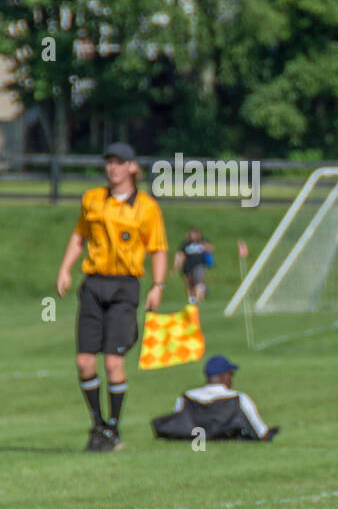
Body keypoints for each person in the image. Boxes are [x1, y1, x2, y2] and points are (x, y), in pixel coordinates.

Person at [55, 142, 168, 452]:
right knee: (84, 362)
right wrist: (65, 269)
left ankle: (114, 429)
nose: (113, 168)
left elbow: (158, 248)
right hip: (94, 283)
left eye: (120, 162)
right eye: (109, 162)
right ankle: (97, 424)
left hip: (125, 285)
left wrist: (158, 286)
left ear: (133, 167)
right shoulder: (92, 199)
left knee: (114, 363)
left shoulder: (146, 207)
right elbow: (79, 237)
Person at [151, 355, 278, 442]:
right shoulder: (238, 398)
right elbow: (262, 433)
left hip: (196, 439)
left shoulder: (187, 397)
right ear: (225, 376)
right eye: (231, 374)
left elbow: (178, 425)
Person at [173, 228, 214, 304]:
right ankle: (191, 299)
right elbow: (180, 255)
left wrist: (205, 246)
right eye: (193, 233)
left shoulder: (203, 242)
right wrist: (176, 266)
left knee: (199, 281)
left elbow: (211, 249)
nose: (194, 235)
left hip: (199, 265)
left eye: (196, 233)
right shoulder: (185, 244)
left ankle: (199, 299)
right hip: (188, 266)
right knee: (189, 283)